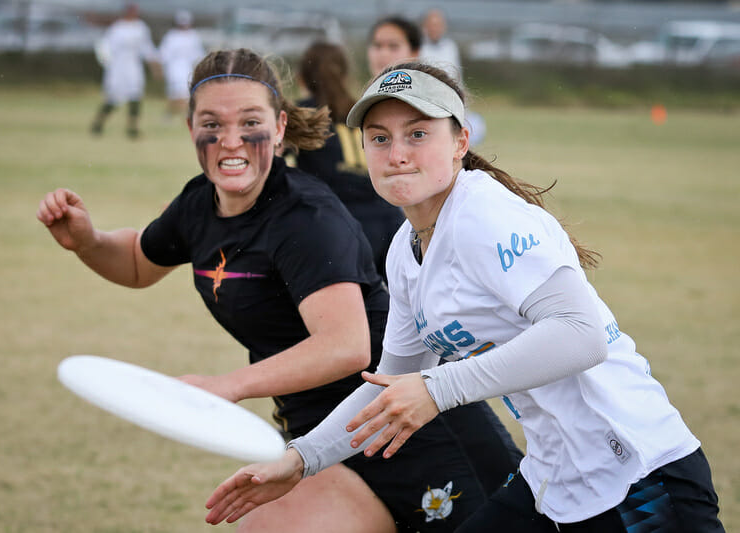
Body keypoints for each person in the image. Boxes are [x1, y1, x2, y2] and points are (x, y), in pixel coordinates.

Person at [204, 63, 724, 532]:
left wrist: (436, 387)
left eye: (418, 134)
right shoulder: (404, 251)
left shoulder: (485, 215)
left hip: (639, 476)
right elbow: (391, 385)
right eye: (380, 138)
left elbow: (581, 334)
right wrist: (299, 462)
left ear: (460, 141)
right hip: (555, 479)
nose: (398, 153)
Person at [38, 49, 521, 532]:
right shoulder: (197, 207)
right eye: (212, 123)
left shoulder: (305, 218)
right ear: (191, 130)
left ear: (279, 128)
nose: (231, 141)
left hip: (412, 429)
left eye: (250, 121)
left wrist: (227, 387)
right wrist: (88, 241)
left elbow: (345, 345)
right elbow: (138, 262)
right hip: (321, 437)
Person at [294, 41, 404, 282]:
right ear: (345, 74)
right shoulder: (362, 109)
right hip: (388, 222)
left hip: (338, 227)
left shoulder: (303, 115)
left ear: (301, 77)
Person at [90, 3, 159, 139]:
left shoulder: (141, 28)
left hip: (133, 66)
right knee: (113, 98)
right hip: (117, 67)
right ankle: (98, 123)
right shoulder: (117, 28)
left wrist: (155, 66)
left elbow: (147, 48)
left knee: (135, 96)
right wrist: (107, 63)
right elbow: (104, 48)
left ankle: (132, 127)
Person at [158, 9, 205, 120]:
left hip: (187, 69)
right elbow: (163, 54)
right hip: (174, 69)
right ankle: (172, 114)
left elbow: (198, 54)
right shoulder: (171, 36)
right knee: (175, 94)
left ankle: (184, 116)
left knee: (185, 94)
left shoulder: (193, 36)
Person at [419, 8, 462, 82]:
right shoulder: (418, 46)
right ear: (425, 26)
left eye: (438, 25)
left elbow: (457, 74)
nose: (435, 29)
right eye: (432, 25)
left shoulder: (450, 47)